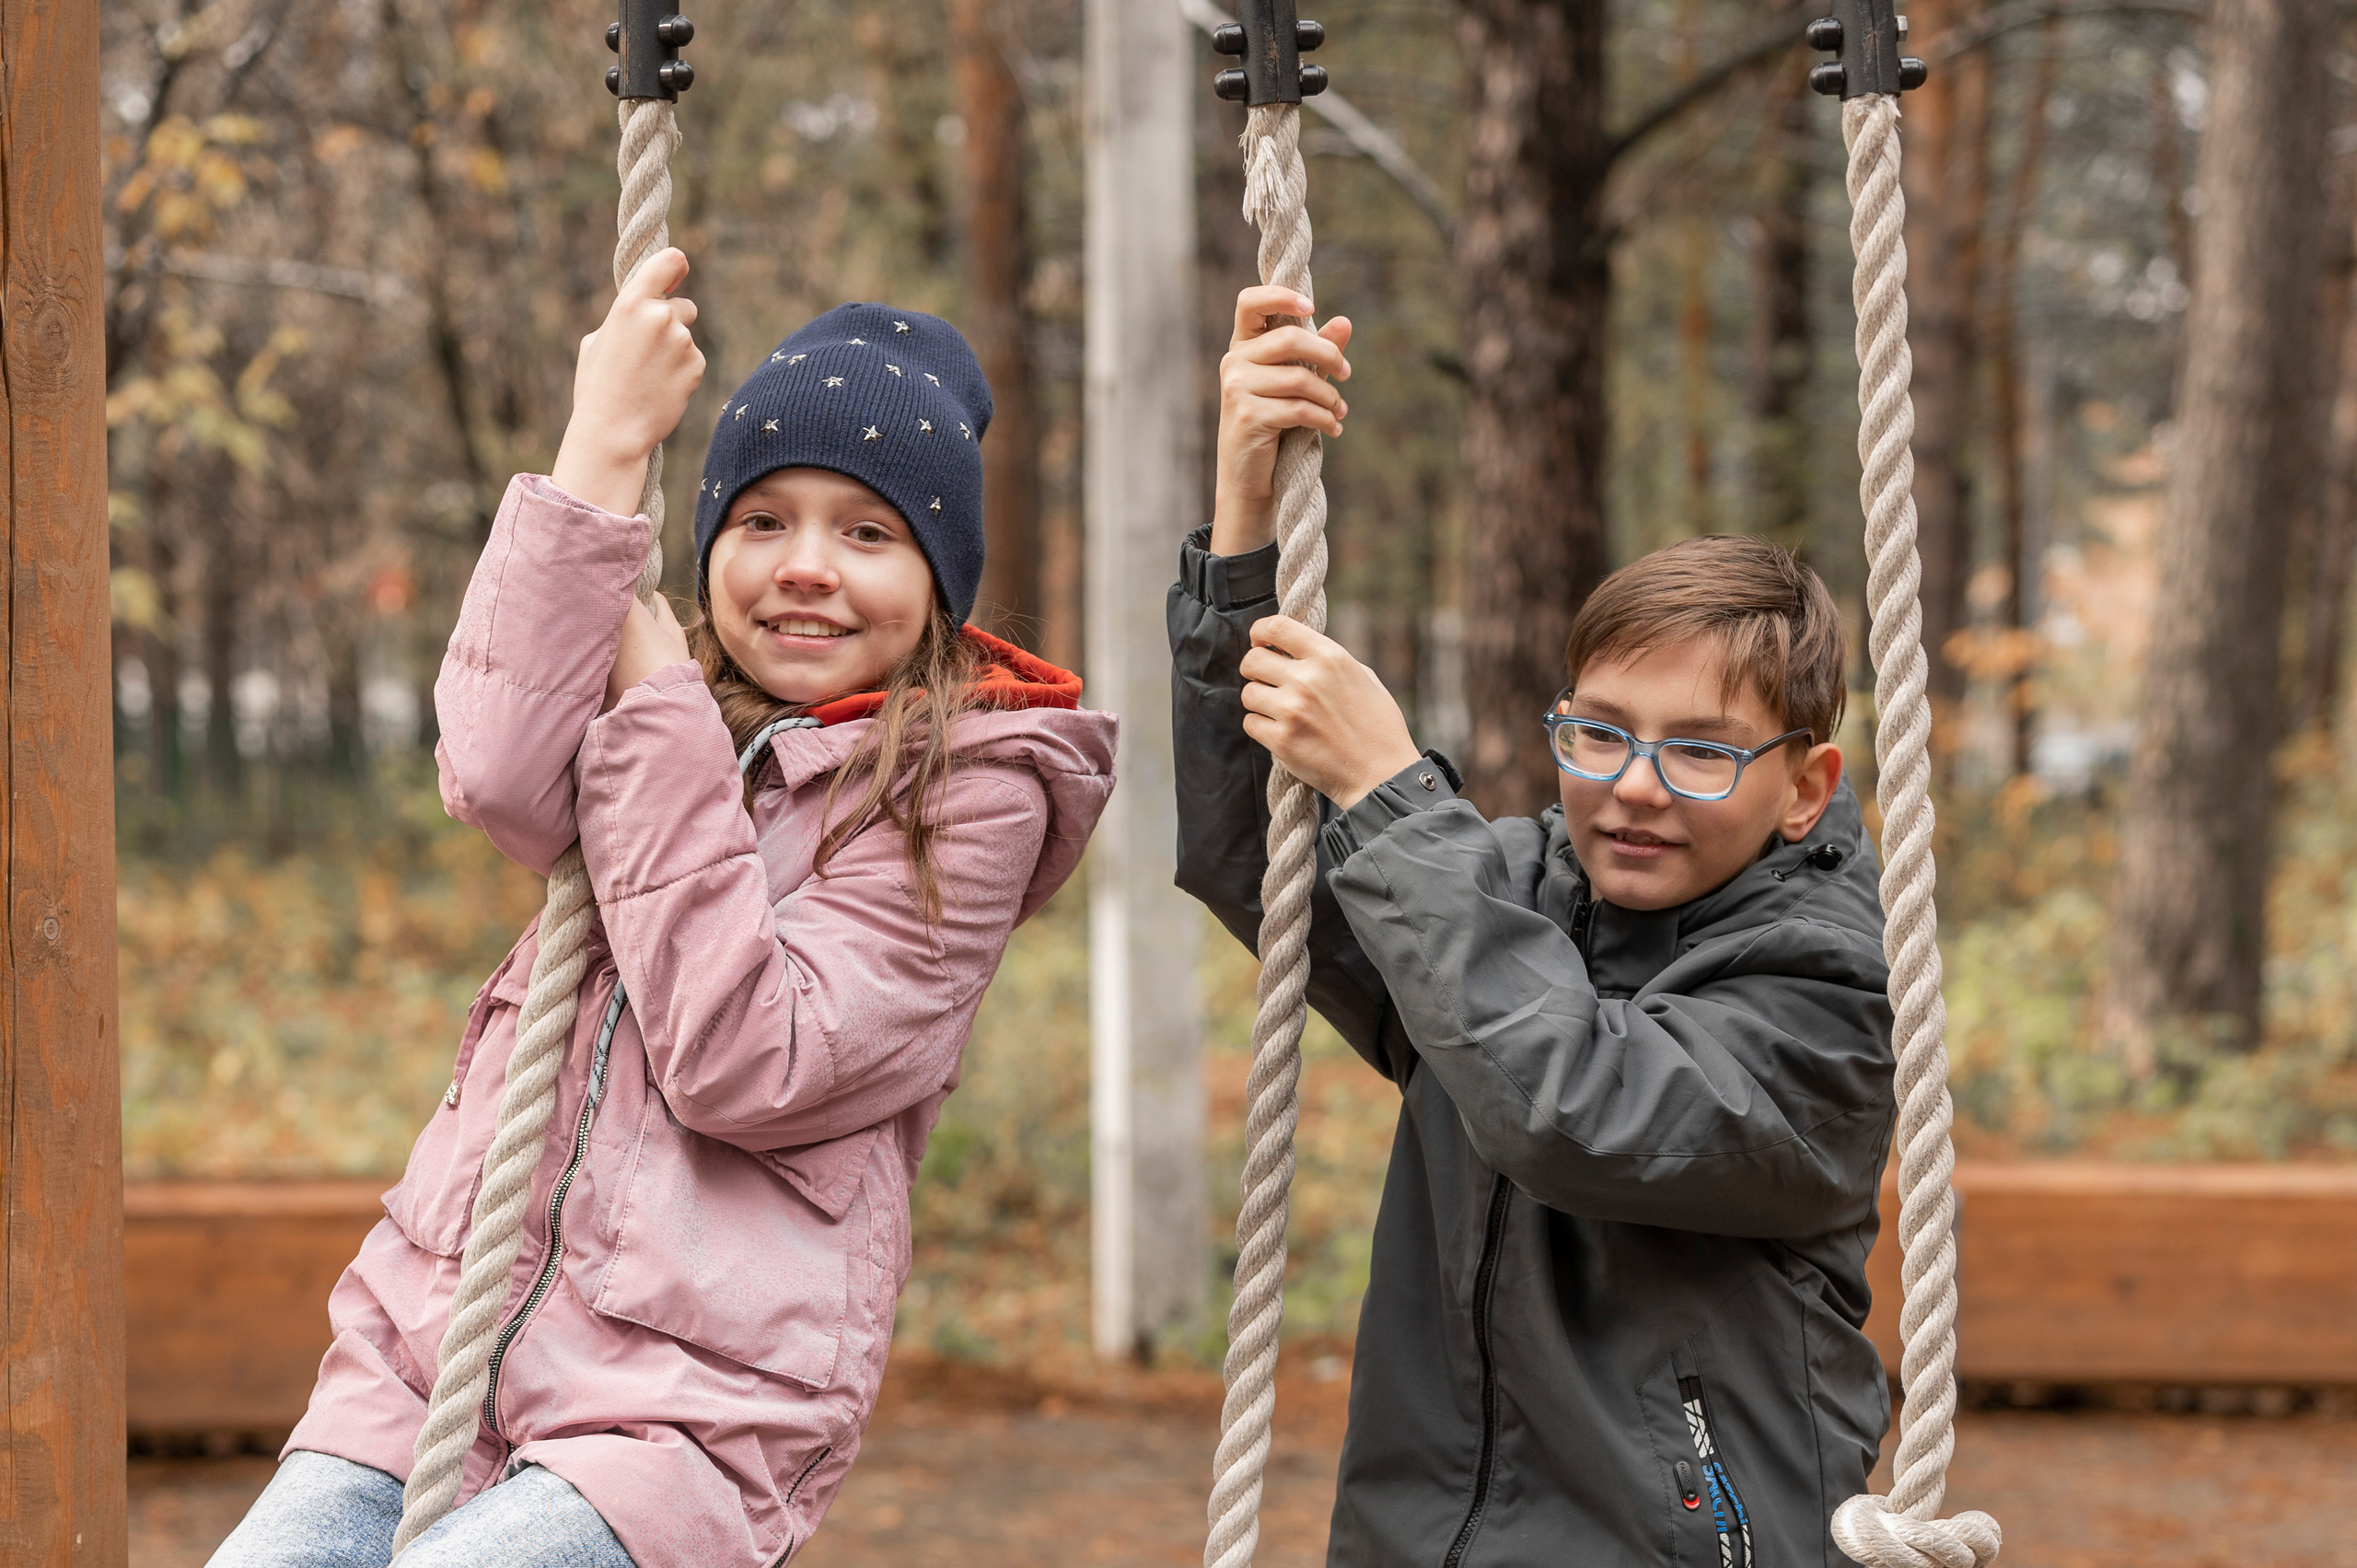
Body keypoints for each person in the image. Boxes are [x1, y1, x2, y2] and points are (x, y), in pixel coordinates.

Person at [211, 251, 1116, 1568]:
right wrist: (598, 453)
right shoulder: (672, 694)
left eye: (866, 533)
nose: (806, 567)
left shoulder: (967, 796)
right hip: (438, 1349)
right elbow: (497, 773)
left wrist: (656, 719)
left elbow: (755, 1058)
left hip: (685, 1419)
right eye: (762, 523)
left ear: (940, 578)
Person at [1169, 284, 1898, 1568]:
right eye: (1602, 731)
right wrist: (1242, 523)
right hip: (1428, 1533)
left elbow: (1576, 1109)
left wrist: (1393, 798)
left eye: (1704, 753)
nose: (1632, 784)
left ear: (1807, 787)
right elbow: (1258, 863)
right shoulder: (1507, 891)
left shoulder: (1832, 997)